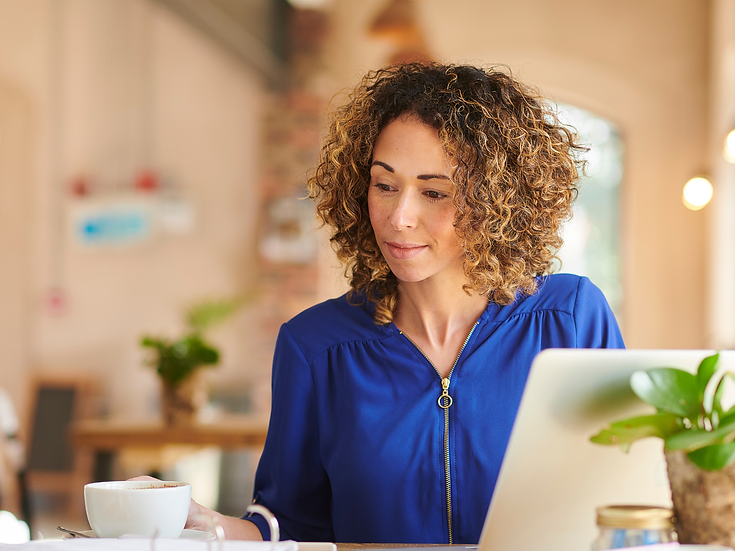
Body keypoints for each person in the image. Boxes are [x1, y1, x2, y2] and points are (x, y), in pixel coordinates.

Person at [178, 62, 624, 543]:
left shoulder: (570, 319)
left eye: (434, 192)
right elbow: (291, 523)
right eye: (384, 185)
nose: (399, 217)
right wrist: (212, 526)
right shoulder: (314, 346)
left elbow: (627, 497)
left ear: (496, 201)